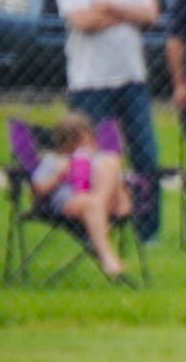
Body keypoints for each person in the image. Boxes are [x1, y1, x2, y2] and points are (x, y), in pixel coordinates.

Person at [56, 0, 161, 241]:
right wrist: (128, 15)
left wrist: (110, 8)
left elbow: (151, 15)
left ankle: (147, 231)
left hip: (131, 81)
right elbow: (82, 22)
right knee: (90, 159)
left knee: (146, 154)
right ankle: (91, 223)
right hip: (90, 84)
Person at [29, 112, 135, 281]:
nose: (87, 145)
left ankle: (97, 234)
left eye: (89, 140)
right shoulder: (53, 160)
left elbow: (122, 190)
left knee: (111, 161)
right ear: (66, 144)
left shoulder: (101, 159)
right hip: (72, 201)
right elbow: (38, 190)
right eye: (79, 143)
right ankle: (107, 256)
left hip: (104, 203)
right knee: (92, 204)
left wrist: (119, 189)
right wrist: (59, 176)